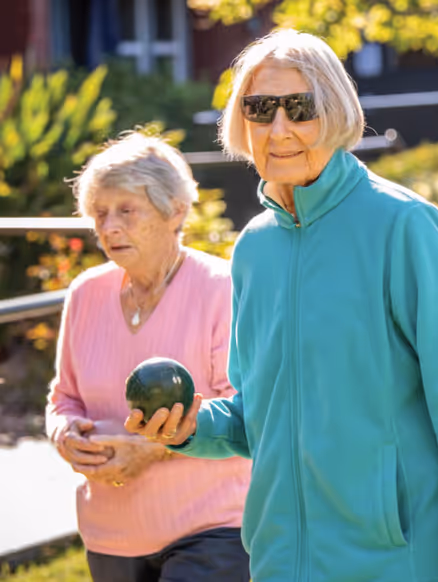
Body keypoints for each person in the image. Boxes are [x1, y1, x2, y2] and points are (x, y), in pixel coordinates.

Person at [124, 29, 438, 582]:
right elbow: (258, 418)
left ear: (333, 113)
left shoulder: (403, 228)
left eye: (299, 108)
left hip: (399, 563)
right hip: (280, 563)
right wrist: (188, 427)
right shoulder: (254, 250)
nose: (279, 130)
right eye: (260, 110)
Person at [45, 133, 252, 582]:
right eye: (99, 212)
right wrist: (65, 433)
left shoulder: (221, 288)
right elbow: (63, 397)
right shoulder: (86, 293)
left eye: (126, 210)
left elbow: (243, 410)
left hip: (212, 528)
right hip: (111, 533)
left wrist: (152, 450)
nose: (109, 226)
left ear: (175, 210)